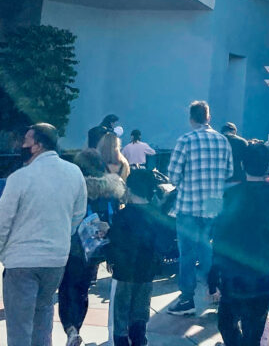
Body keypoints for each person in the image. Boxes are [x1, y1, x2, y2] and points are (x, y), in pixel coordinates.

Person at [0, 123, 87, 346]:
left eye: (26, 141)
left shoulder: (19, 178)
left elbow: (3, 221)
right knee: (42, 322)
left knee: (20, 327)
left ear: (37, 145)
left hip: (21, 261)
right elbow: (78, 214)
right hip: (55, 260)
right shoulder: (74, 173)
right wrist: (60, 238)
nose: (22, 145)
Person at [208, 141, 269, 346]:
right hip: (262, 274)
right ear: (268, 166)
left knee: (226, 323)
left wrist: (213, 277)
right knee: (254, 328)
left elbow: (219, 240)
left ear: (242, 164)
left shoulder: (229, 196)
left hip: (232, 275)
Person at [166, 100, 233, 316]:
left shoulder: (185, 140)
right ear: (208, 117)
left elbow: (173, 177)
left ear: (191, 118)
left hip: (189, 203)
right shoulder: (222, 141)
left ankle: (187, 298)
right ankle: (213, 290)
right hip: (213, 202)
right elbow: (229, 172)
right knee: (208, 246)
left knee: (187, 252)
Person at [58, 149, 125, 346]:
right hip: (97, 248)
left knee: (67, 288)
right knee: (82, 289)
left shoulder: (72, 187)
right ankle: (77, 325)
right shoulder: (112, 188)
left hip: (73, 247)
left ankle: (71, 329)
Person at [105, 167, 164, 346]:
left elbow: (115, 244)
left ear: (129, 189)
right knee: (140, 314)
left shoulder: (122, 216)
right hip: (146, 273)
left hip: (123, 274)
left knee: (120, 318)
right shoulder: (157, 216)